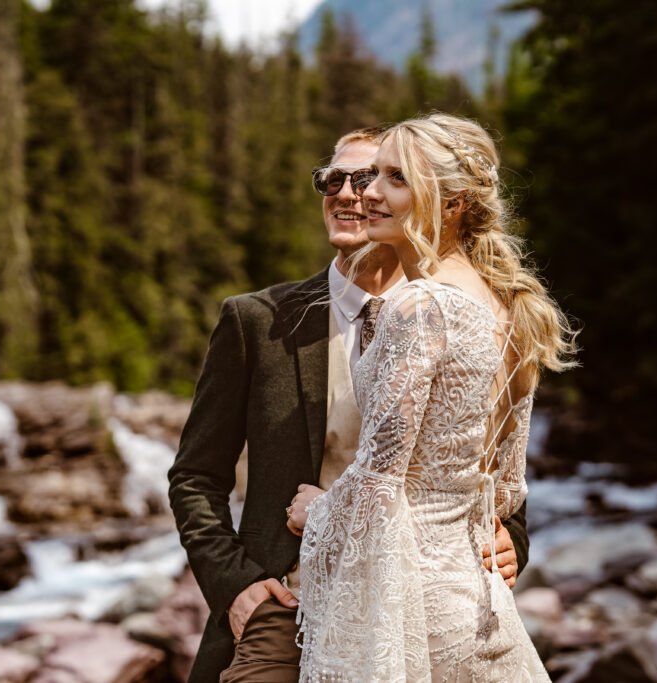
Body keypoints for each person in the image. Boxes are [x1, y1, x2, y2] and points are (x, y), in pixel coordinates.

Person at [168, 126, 531, 682]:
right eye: (330, 179)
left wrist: (511, 540)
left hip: (423, 611)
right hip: (288, 605)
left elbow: (489, 466)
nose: (347, 193)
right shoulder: (257, 319)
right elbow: (195, 475)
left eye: (371, 177)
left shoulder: (465, 310)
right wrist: (235, 587)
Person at [289, 114, 577, 681]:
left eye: (395, 178)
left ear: (453, 204)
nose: (368, 193)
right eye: (374, 176)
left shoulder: (419, 307)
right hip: (481, 603)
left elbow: (377, 482)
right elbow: (507, 488)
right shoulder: (511, 308)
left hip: (415, 611)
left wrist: (314, 513)